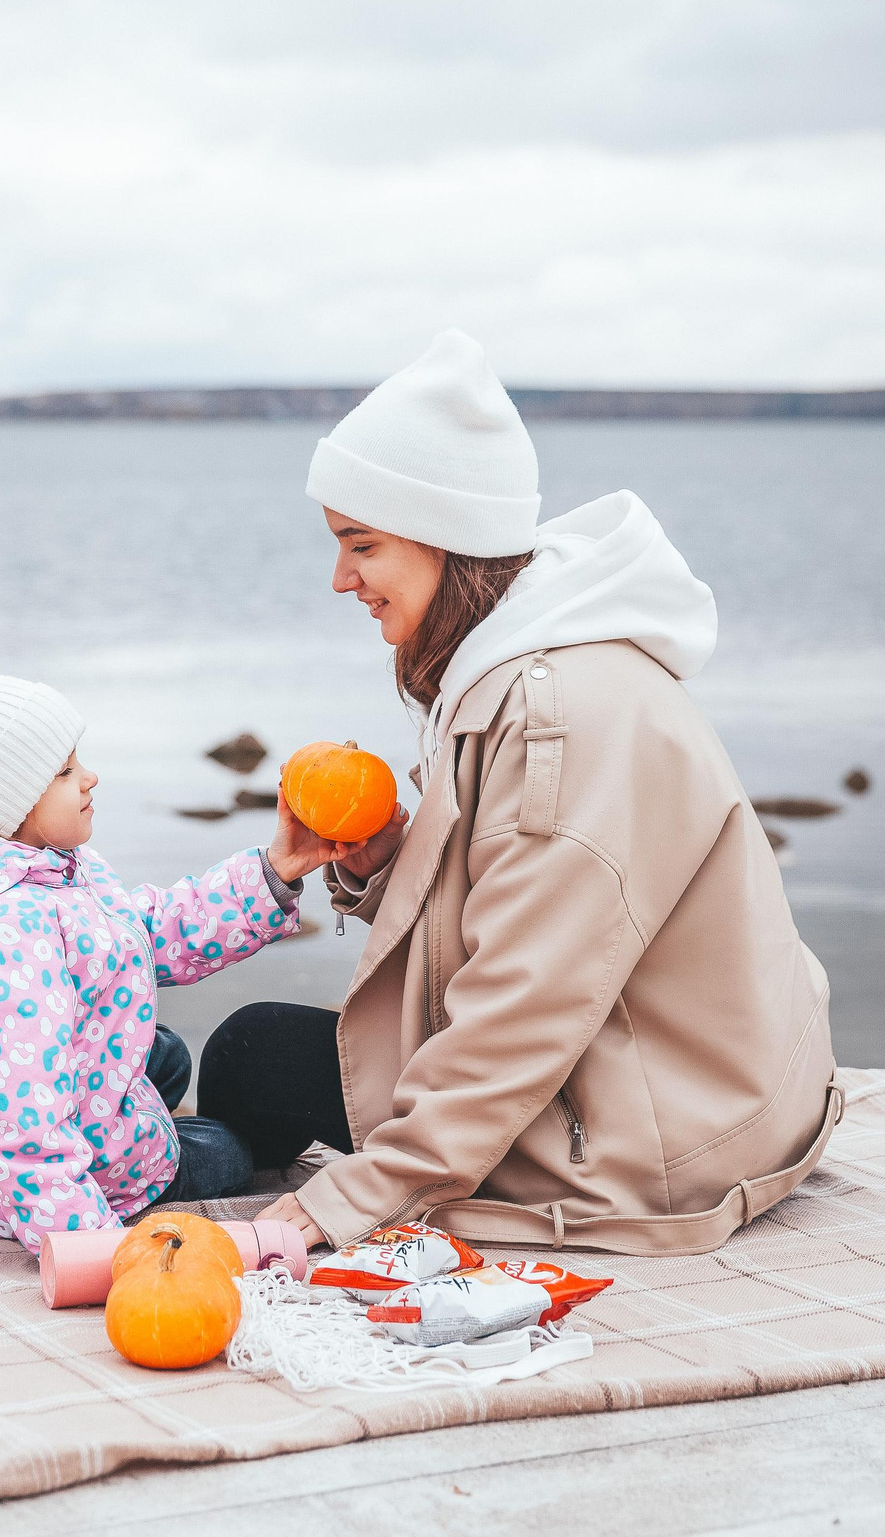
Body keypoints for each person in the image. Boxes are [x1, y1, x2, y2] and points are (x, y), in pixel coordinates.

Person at [203, 329, 843, 1256]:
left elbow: (527, 1002)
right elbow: (518, 906)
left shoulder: (561, 717)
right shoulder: (527, 658)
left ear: (444, 539)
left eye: (361, 544)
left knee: (250, 1060)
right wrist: (389, 861)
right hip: (696, 1076)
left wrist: (353, 1198)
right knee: (251, 1055)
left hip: (659, 1133)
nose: (340, 578)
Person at [0, 667, 355, 1257]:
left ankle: (133, 1120)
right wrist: (92, 1248)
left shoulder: (36, 866)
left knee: (166, 1053)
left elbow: (147, 931)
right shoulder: (7, 937)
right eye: (63, 772)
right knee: (225, 1153)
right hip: (3, 1183)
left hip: (2, 1119)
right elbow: (23, 1128)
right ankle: (134, 1166)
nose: (90, 777)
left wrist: (273, 872)